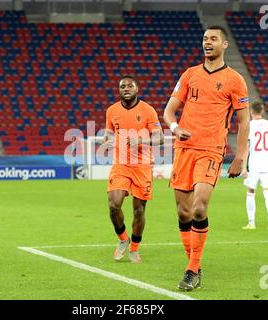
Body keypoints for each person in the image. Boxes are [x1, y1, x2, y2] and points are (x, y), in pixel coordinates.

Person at [163, 26, 250, 291]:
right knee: (183, 211)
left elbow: (244, 120)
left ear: (225, 45)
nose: (207, 42)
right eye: (204, 39)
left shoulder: (235, 79)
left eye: (213, 39)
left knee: (199, 207)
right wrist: (176, 128)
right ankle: (195, 263)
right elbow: (168, 112)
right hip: (184, 149)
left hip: (211, 150)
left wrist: (240, 157)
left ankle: (191, 270)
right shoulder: (190, 75)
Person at [103, 75, 164, 263]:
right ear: (119, 90)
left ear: (137, 89)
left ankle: (135, 248)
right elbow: (109, 132)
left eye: (130, 85)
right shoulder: (112, 111)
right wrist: (108, 140)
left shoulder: (147, 111)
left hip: (143, 166)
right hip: (121, 164)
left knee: (139, 211)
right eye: (122, 86)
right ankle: (123, 239)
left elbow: (160, 138)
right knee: (114, 205)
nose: (126, 88)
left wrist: (141, 140)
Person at [241, 101, 268, 231]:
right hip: (267, 164)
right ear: (262, 111)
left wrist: (243, 167)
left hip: (254, 164)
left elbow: (246, 147)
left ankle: (251, 223)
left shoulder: (249, 126)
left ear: (251, 112)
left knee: (251, 191)